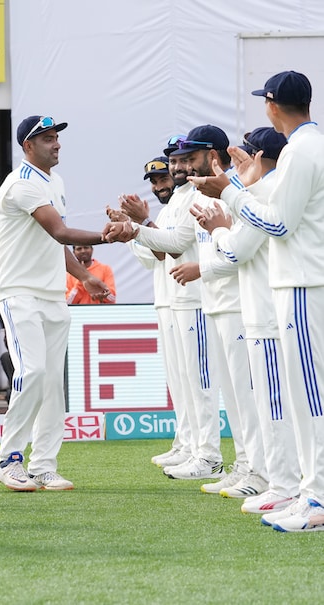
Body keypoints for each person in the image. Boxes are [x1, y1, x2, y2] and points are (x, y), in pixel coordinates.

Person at [192, 70, 324, 532]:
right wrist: (240, 190)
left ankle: (317, 496)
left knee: (308, 398)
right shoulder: (307, 147)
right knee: (301, 397)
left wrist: (230, 193)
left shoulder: (303, 150)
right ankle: (309, 492)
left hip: (303, 283)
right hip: (297, 283)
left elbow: (279, 224)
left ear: (272, 105)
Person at [0, 115, 115, 492]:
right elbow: (59, 231)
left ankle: (43, 465)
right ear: (28, 147)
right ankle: (9, 459)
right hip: (18, 289)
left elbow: (52, 243)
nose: (56, 144)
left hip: (50, 292)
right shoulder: (21, 184)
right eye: (46, 139)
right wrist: (110, 236)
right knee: (33, 371)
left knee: (53, 383)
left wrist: (86, 276)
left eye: (56, 137)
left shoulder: (54, 182)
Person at [191, 126, 300, 515]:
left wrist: (218, 231)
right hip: (260, 315)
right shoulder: (254, 196)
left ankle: (281, 482)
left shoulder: (262, 196)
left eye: (244, 158)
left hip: (266, 317)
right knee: (268, 404)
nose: (238, 165)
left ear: (259, 160)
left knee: (273, 405)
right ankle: (280, 481)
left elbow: (236, 251)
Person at [107, 154, 192, 469]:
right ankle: (184, 443)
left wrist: (138, 224)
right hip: (167, 300)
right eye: (155, 183)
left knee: (191, 380)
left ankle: (199, 448)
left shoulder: (181, 208)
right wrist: (129, 231)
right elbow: (151, 258)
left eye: (163, 179)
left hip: (186, 301)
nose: (159, 187)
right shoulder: (168, 211)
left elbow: (165, 249)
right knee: (178, 379)